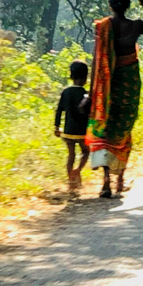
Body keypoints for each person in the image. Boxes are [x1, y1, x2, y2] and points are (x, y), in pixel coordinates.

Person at [85, 0, 143, 198]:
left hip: (107, 86)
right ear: (129, 5)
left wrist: (91, 93)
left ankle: (106, 182)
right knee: (123, 129)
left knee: (106, 129)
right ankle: (120, 180)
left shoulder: (103, 27)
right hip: (129, 84)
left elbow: (97, 61)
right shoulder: (136, 26)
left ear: (110, 4)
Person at [54, 60, 90, 191]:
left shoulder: (66, 92)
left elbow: (59, 110)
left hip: (68, 130)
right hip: (82, 131)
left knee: (71, 155)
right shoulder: (86, 94)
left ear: (71, 76)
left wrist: (56, 126)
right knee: (86, 151)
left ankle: (70, 180)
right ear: (86, 78)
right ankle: (78, 170)